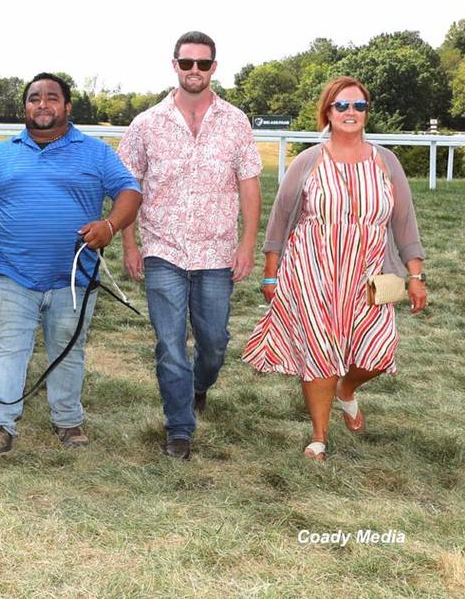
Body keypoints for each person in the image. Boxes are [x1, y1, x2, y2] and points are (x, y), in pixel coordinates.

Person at [0, 73, 141, 460]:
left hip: (73, 278)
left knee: (68, 352)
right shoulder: (3, 153)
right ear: (26, 108)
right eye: (34, 98)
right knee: (7, 350)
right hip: (13, 275)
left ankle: (68, 420)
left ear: (67, 107)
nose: (42, 104)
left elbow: (129, 192)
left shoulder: (96, 152)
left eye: (52, 98)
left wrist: (109, 225)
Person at [241, 76, 427, 461]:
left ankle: (346, 389)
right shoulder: (308, 161)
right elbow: (280, 220)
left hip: (374, 272)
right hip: (312, 269)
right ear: (328, 111)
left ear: (366, 113)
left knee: (378, 352)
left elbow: (404, 222)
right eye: (342, 105)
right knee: (321, 352)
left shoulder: (385, 161)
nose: (350, 113)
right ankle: (319, 436)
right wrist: (271, 272)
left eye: (359, 106)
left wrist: (415, 275)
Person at [118, 31, 262, 461]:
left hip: (217, 252)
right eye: (187, 64)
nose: (194, 71)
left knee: (214, 341)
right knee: (169, 344)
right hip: (163, 250)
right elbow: (128, 186)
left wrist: (247, 243)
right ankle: (179, 427)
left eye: (203, 64)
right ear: (175, 65)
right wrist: (130, 244)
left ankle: (199, 385)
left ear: (214, 67)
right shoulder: (146, 124)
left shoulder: (236, 122)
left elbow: (249, 186)